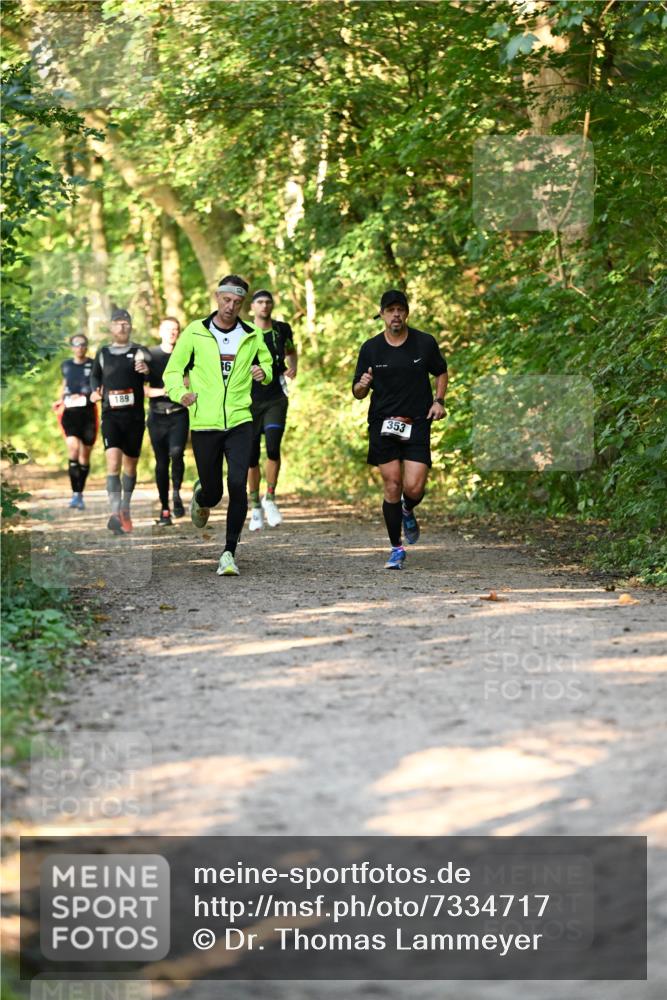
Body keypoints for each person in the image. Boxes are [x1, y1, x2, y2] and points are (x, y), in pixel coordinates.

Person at [163, 275, 273, 576]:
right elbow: (173, 371)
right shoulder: (195, 332)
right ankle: (202, 494)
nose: (231, 306)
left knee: (237, 484)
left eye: (238, 302)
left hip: (240, 420)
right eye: (227, 300)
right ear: (217, 297)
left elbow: (269, 364)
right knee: (213, 492)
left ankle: (228, 552)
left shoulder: (252, 334)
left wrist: (264, 372)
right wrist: (179, 393)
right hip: (205, 422)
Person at [352, 289, 448, 569]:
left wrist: (439, 401)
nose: (396, 314)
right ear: (381, 314)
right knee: (392, 484)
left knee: (414, 487)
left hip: (417, 421)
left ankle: (408, 509)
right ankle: (396, 548)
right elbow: (357, 392)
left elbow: (440, 371)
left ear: (407, 313)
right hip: (383, 423)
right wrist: (363, 384)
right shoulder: (371, 348)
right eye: (390, 310)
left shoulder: (424, 343)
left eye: (400, 309)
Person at [90, 309, 150, 535]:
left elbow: (154, 376)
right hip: (111, 416)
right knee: (113, 463)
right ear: (111, 327)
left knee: (130, 466)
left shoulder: (140, 351)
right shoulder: (103, 352)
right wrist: (93, 392)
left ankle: (125, 507)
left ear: (131, 326)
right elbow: (95, 376)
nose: (122, 327)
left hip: (134, 418)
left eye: (126, 323)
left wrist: (147, 370)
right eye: (118, 323)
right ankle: (115, 512)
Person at [246, 289, 297, 530]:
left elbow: (291, 350)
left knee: (274, 447)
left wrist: (292, 368)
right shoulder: (243, 331)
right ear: (252, 307)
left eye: (268, 302)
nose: (264, 306)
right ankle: (254, 505)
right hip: (248, 401)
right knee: (251, 456)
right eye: (259, 302)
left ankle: (270, 498)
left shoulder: (281, 329)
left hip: (275, 397)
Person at [146, 317, 188, 526]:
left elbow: (190, 381)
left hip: (179, 413)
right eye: (168, 329)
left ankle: (177, 494)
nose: (172, 332)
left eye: (176, 329)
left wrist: (182, 389)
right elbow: (144, 389)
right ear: (160, 331)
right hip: (156, 416)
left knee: (177, 453)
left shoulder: (184, 353)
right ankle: (164, 509)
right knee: (162, 462)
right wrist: (167, 390)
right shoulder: (150, 355)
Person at [53, 334, 97, 510]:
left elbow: (98, 386)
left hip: (87, 414)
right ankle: (75, 494)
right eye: (76, 344)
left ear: (86, 346)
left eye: (83, 344)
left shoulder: (93, 364)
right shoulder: (66, 365)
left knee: (84, 455)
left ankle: (80, 492)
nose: (80, 347)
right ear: (71, 347)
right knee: (73, 448)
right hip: (70, 413)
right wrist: (59, 400)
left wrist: (94, 396)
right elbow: (65, 385)